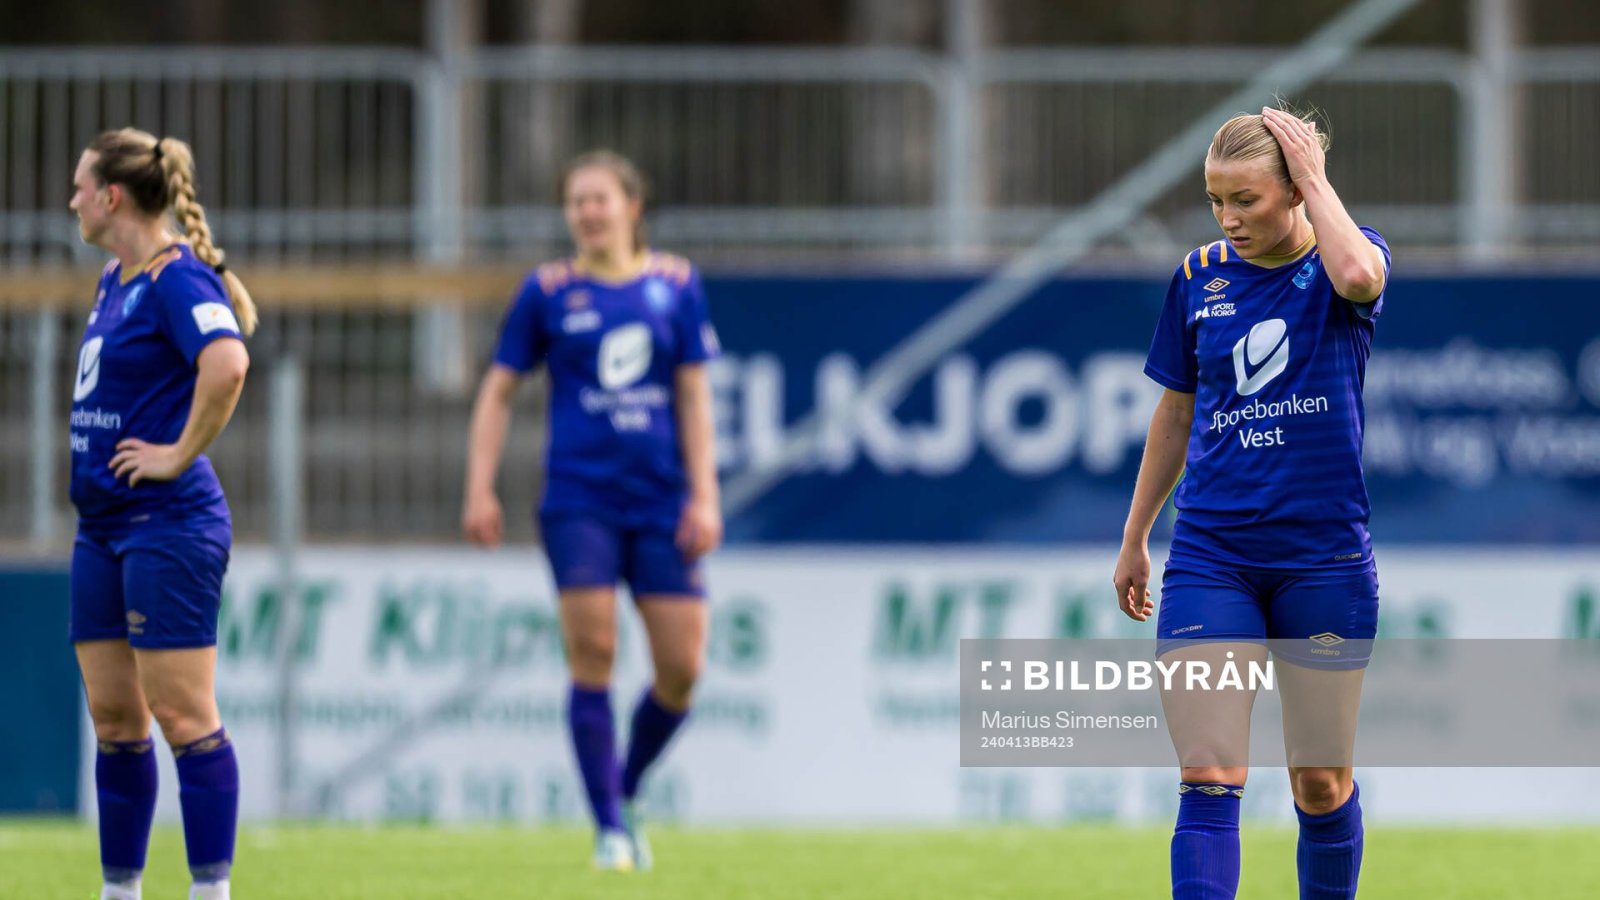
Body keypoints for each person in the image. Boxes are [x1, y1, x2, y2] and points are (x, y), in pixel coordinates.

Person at [1113, 106, 1389, 900]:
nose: (1229, 219)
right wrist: (1136, 534)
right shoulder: (1199, 276)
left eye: (1248, 199)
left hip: (1324, 562)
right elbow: (1174, 412)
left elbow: (1360, 280)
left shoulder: (1349, 257)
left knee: (1320, 787)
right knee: (1208, 774)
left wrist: (1317, 182)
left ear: (1296, 191)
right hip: (1212, 558)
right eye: (1215, 200)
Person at [463, 150, 722, 872]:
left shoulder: (675, 286)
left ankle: (624, 789)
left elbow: (696, 397)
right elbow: (498, 391)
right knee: (594, 656)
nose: (587, 212)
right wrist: (478, 487)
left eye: (600, 199)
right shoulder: (547, 292)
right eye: (576, 201)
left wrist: (706, 493)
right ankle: (610, 827)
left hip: (663, 500)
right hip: (580, 500)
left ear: (632, 207)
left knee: (681, 669)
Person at [67, 128, 257, 900]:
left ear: (112, 196)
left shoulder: (177, 277)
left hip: (168, 522)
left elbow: (230, 362)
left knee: (181, 714)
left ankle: (210, 893)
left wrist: (177, 453)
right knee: (116, 720)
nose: (72, 198)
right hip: (101, 526)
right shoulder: (117, 275)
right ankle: (121, 893)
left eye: (80, 184)